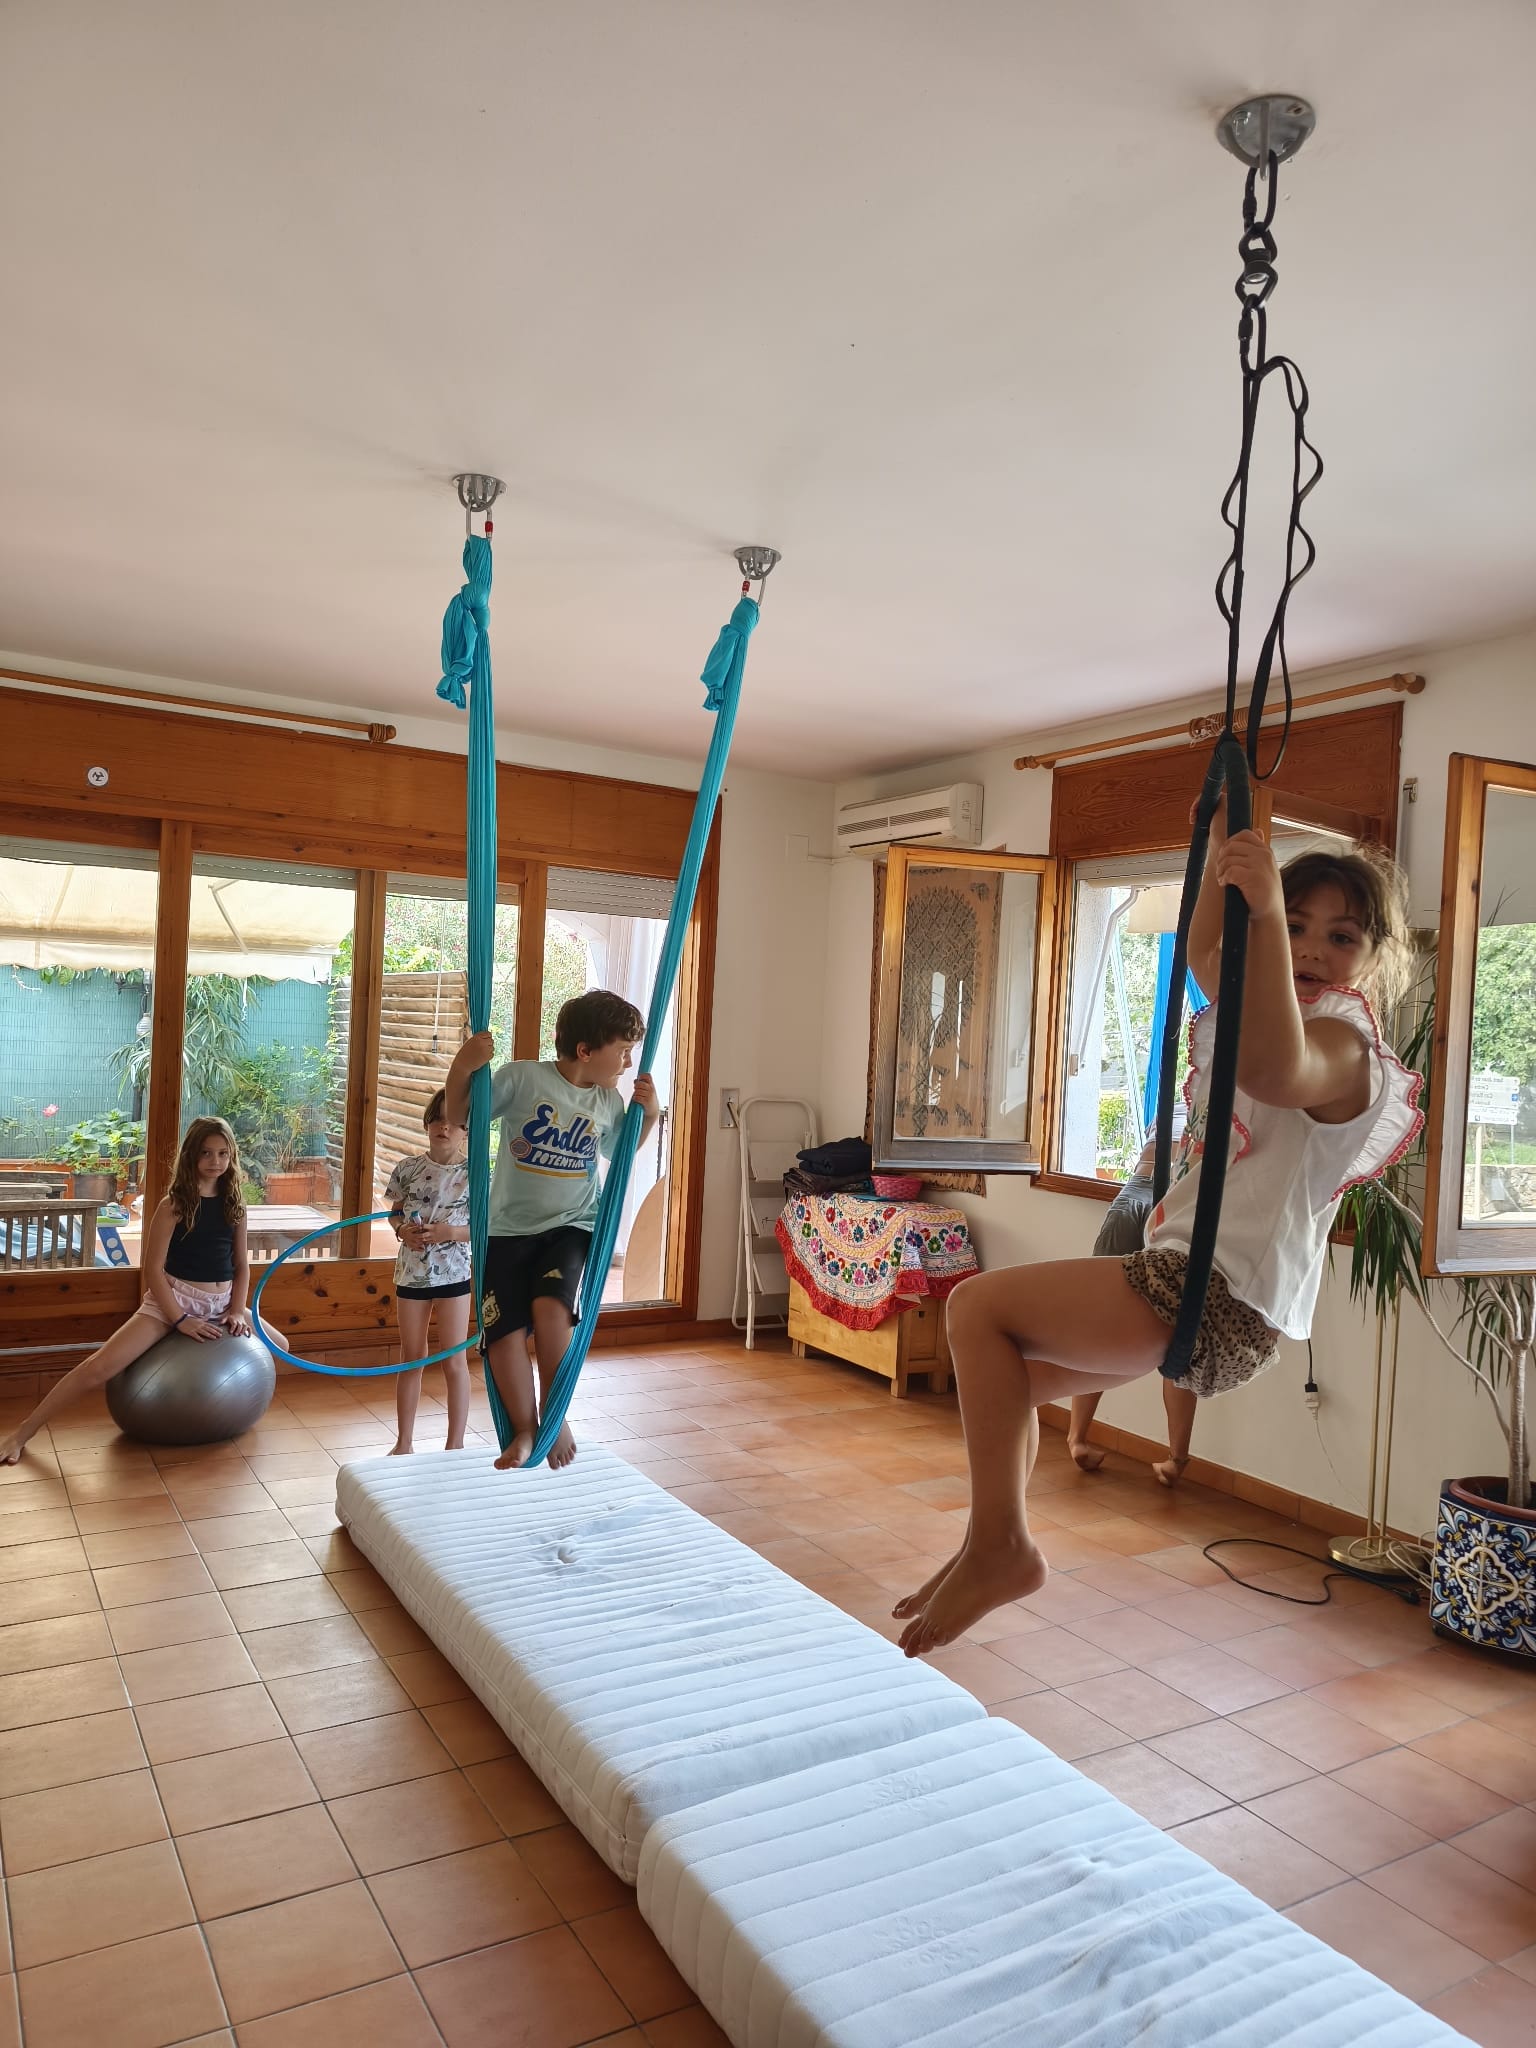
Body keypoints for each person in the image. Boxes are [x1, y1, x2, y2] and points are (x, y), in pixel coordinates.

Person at [894, 808, 1421, 1656]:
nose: (1313, 949)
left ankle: (1001, 1546)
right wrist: (1216, 855)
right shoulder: (1267, 1012)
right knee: (1007, 1384)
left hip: (1213, 1294)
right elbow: (1209, 954)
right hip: (1202, 1292)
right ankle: (985, 1544)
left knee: (975, 1309)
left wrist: (1262, 916)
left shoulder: (1344, 1044)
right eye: (1296, 926)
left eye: (1342, 936)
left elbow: (1275, 1070)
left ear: (1373, 958)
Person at [445, 988, 661, 1472]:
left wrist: (648, 1116)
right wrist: (463, 1067)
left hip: (572, 1226)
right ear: (585, 1050)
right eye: (623, 1051)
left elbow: (618, 1153)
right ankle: (525, 1428)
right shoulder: (523, 1078)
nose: (628, 1063)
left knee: (551, 1308)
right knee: (502, 1333)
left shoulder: (607, 1100)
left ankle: (554, 1413)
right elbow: (461, 1116)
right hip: (506, 1230)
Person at [1, 1116, 261, 1465]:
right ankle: (22, 1433)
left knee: (282, 1345)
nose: (215, 1161)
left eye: (223, 1153)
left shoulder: (234, 1203)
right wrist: (179, 1319)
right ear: (191, 1156)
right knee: (97, 1368)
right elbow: (152, 1269)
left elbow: (241, 1265)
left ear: (231, 1156)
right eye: (206, 1153)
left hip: (222, 1303)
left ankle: (226, 1413)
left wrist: (236, 1309)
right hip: (174, 1299)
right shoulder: (174, 1204)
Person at [1066, 1140, 1200, 1486]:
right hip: (1157, 1192)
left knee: (1178, 1336)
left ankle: (1173, 1458)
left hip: (1170, 1196)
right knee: (1109, 1325)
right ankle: (1080, 1439)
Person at [385, 1088, 472, 1455]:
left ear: (466, 1130)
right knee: (412, 1357)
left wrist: (450, 1232)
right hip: (411, 1273)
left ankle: (455, 1445)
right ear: (426, 1124)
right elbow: (394, 1213)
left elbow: (486, 1226)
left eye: (452, 1122)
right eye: (436, 1120)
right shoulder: (407, 1168)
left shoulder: (476, 1172)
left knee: (454, 1358)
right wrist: (401, 1231)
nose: (443, 1127)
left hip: (454, 1275)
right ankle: (404, 1442)